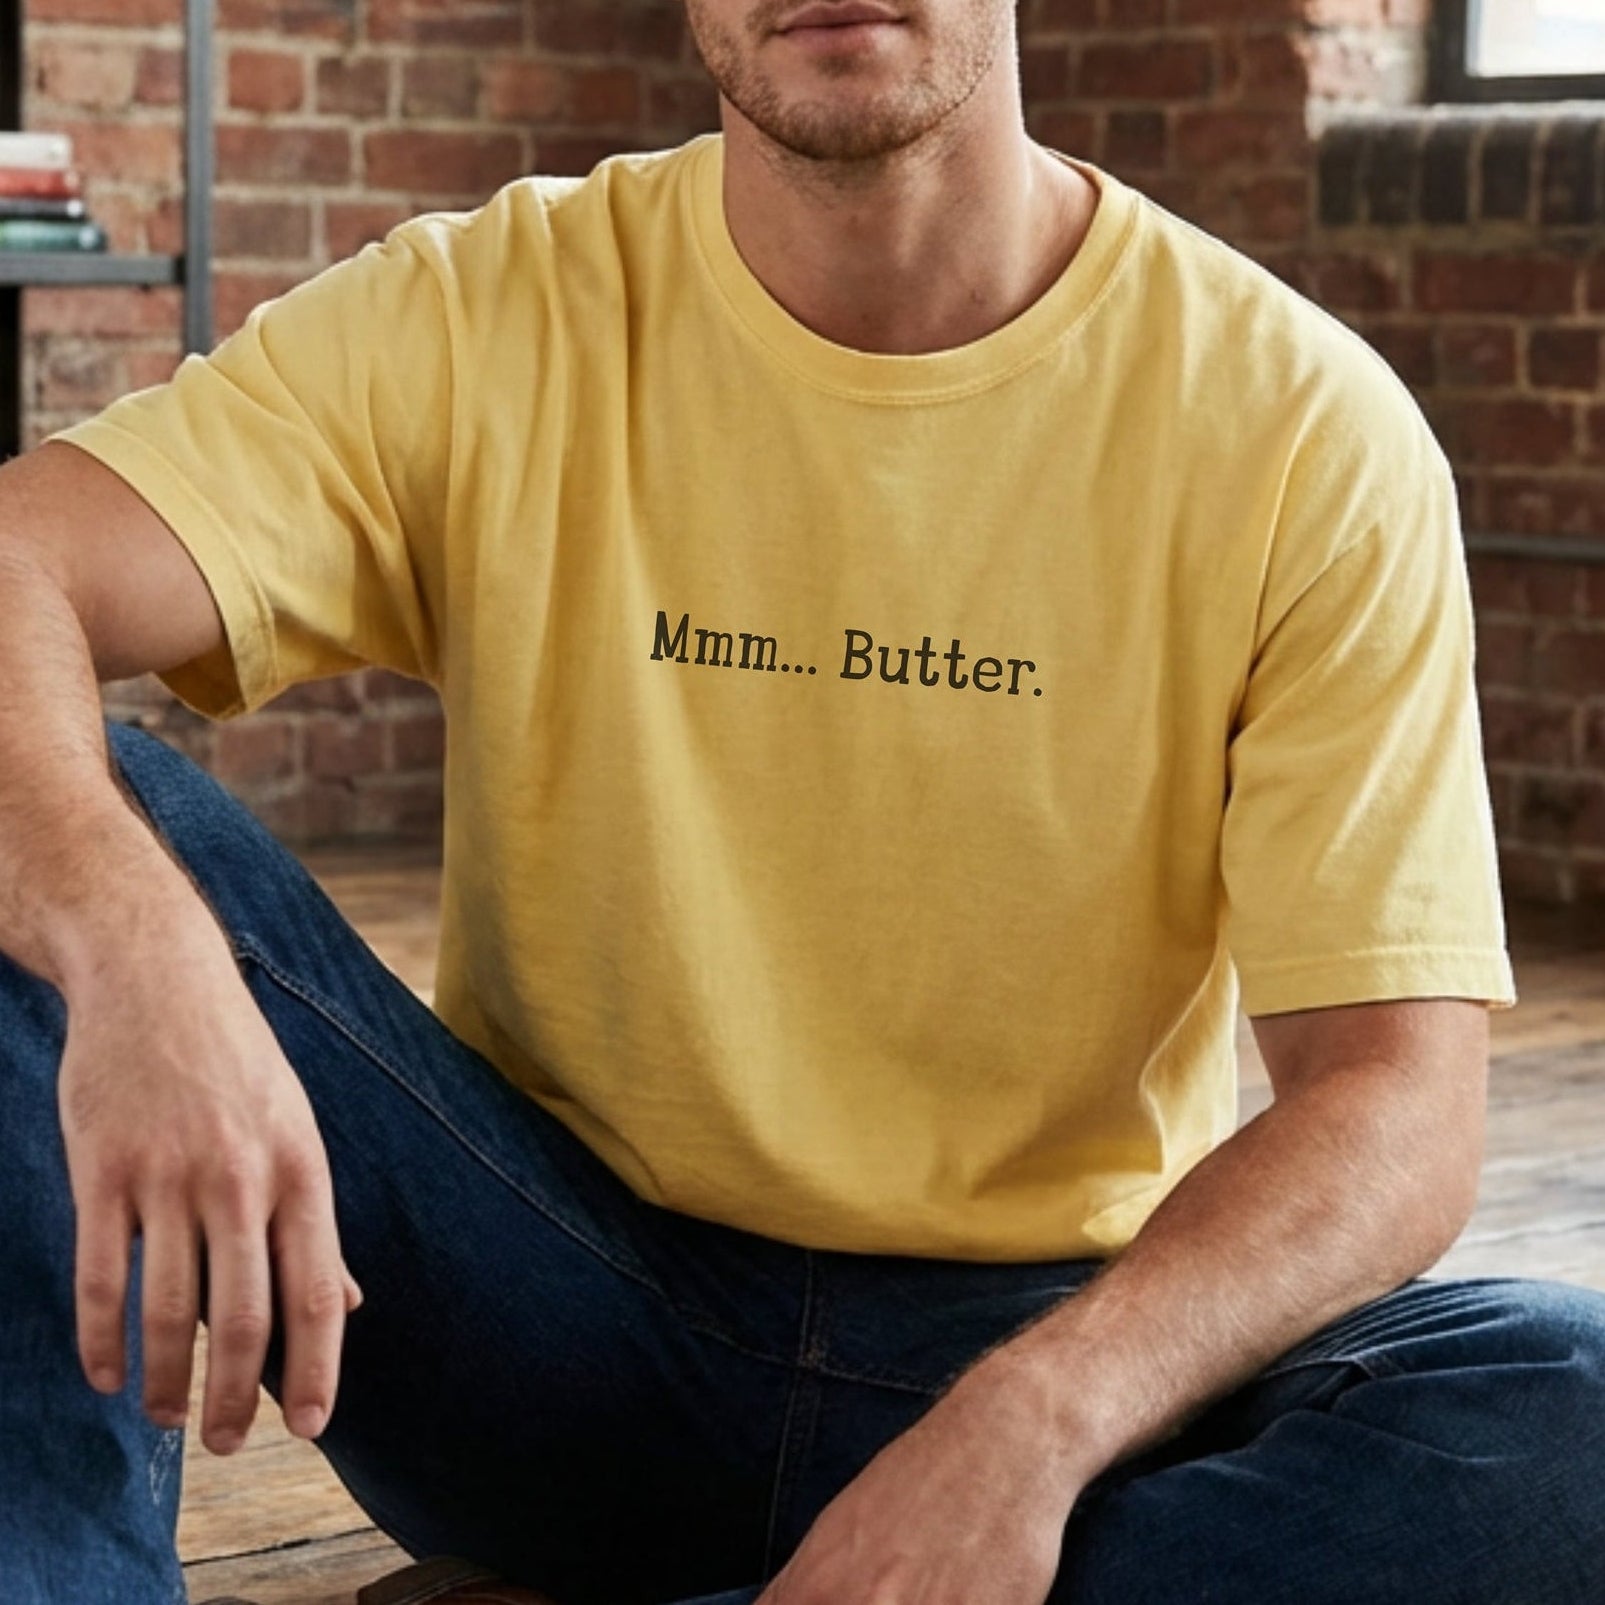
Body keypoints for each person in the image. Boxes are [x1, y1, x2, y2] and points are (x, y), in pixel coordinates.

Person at [0, 0, 1601, 1601]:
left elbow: (1397, 1101)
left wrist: (1034, 1421)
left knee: (1572, 1407)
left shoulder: (1299, 425)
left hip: (1042, 1354)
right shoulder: (491, 307)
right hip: (545, 1309)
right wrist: (137, 951)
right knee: (54, 829)